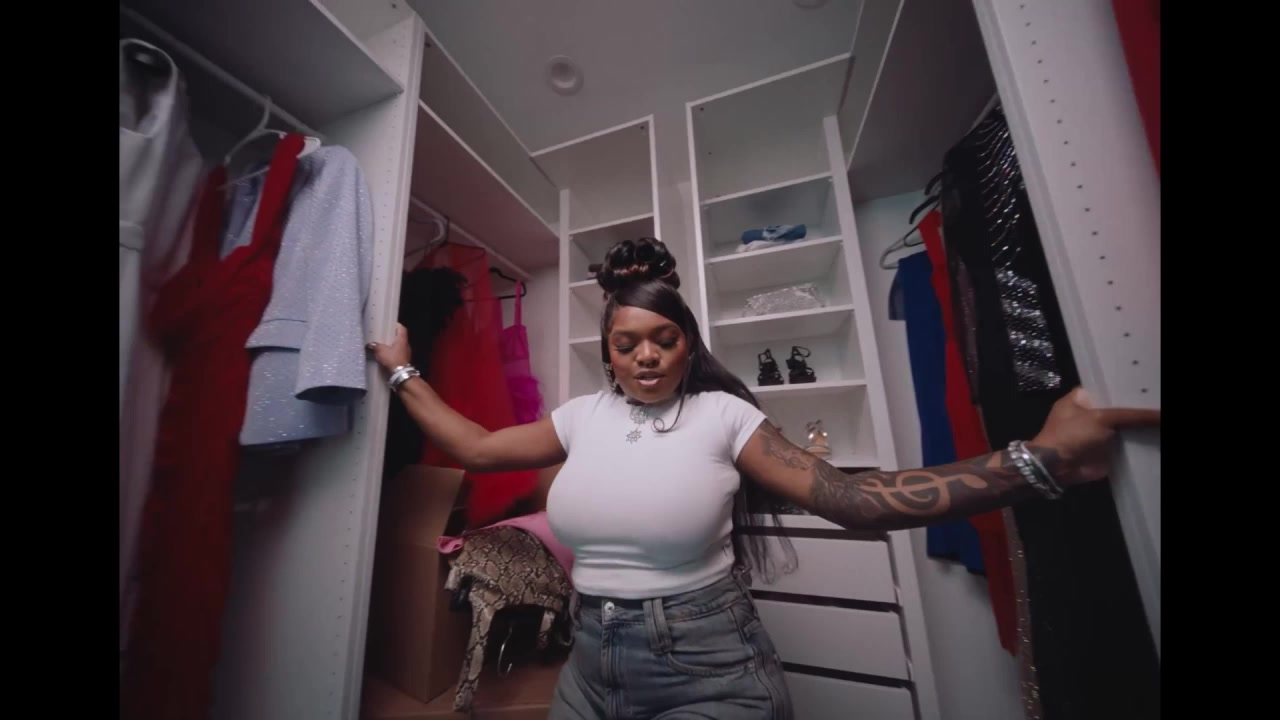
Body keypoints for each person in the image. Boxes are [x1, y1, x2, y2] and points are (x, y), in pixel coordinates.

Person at [367, 237, 1159, 719]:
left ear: (688, 343)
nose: (646, 356)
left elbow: (854, 500)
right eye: (627, 343)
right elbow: (476, 446)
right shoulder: (579, 418)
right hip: (591, 659)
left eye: (664, 338)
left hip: (705, 665)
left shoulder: (724, 416)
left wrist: (1038, 458)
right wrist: (402, 370)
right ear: (607, 353)